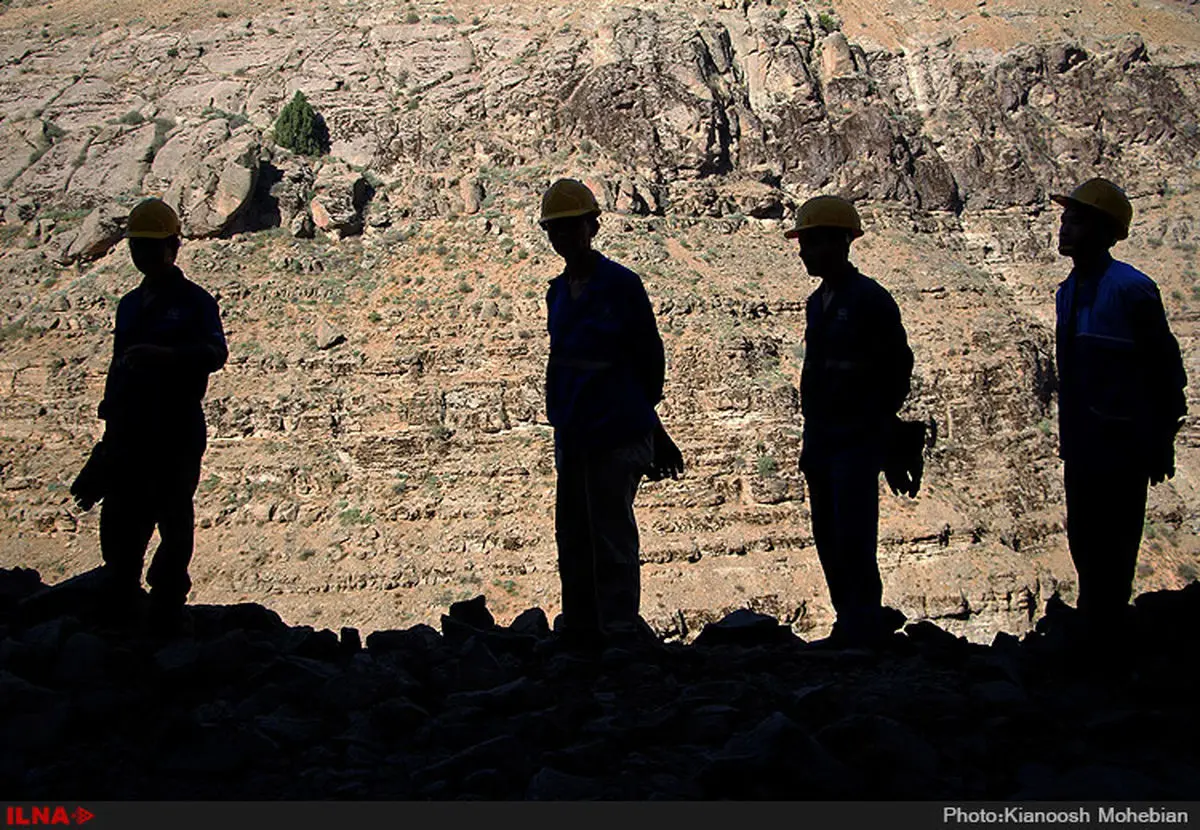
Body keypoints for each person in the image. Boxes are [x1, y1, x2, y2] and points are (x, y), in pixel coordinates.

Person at [540, 178, 683, 648]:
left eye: (570, 226)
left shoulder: (622, 285)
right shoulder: (557, 292)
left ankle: (619, 629)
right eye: (554, 229)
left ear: (592, 226)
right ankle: (582, 628)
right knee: (573, 535)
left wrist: (645, 424)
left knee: (611, 534)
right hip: (574, 432)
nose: (562, 237)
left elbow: (648, 360)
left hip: (615, 430)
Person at [1052, 177, 1187, 636]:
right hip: (1083, 442)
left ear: (1106, 231)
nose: (1064, 227)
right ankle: (1097, 626)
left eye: (1077, 220)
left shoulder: (1132, 289)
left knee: (1115, 541)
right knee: (1085, 540)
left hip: (1120, 443)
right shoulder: (1067, 292)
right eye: (1065, 218)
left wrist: (1161, 436)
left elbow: (1163, 366)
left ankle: (1106, 636)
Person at [91, 197, 228, 631]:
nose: (142, 255)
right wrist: (111, 421)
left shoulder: (195, 303)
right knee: (120, 513)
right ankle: (123, 592)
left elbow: (214, 353)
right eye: (137, 247)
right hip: (131, 425)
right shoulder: (129, 305)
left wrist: (165, 356)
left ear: (173, 246)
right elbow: (119, 363)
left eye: (151, 246)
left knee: (172, 511)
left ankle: (168, 598)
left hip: (176, 423)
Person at [789, 195, 914, 647]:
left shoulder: (871, 300)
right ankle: (850, 618)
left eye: (811, 242)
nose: (803, 251)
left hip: (855, 438)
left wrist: (879, 425)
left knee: (855, 532)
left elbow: (896, 368)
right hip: (821, 437)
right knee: (828, 532)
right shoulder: (816, 302)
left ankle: (863, 621)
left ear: (840, 243)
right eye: (803, 243)